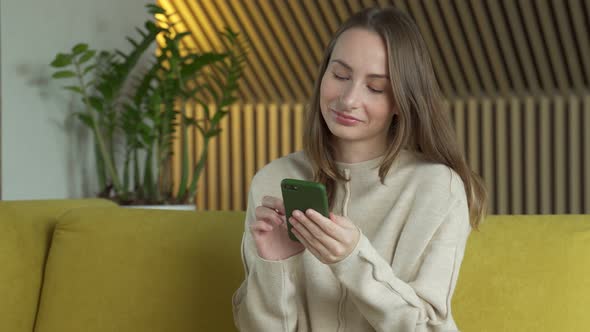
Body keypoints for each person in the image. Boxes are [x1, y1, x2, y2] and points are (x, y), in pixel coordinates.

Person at [232, 6, 487, 332]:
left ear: (401, 101)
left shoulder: (438, 188)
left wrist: (353, 260)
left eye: (376, 87)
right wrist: (274, 267)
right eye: (339, 75)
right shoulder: (274, 179)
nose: (349, 99)